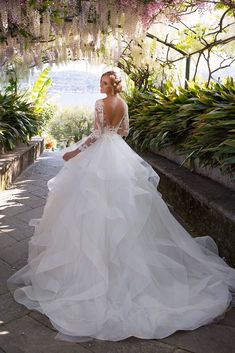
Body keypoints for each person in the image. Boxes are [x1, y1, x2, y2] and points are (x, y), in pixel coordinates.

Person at [7, 71, 235, 342]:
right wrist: (111, 138)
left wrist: (74, 152)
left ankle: (94, 266)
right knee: (124, 207)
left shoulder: (100, 103)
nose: (100, 86)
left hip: (101, 152)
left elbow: (94, 134)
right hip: (119, 153)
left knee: (90, 207)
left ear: (108, 85)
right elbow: (124, 131)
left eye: (103, 82)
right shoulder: (123, 103)